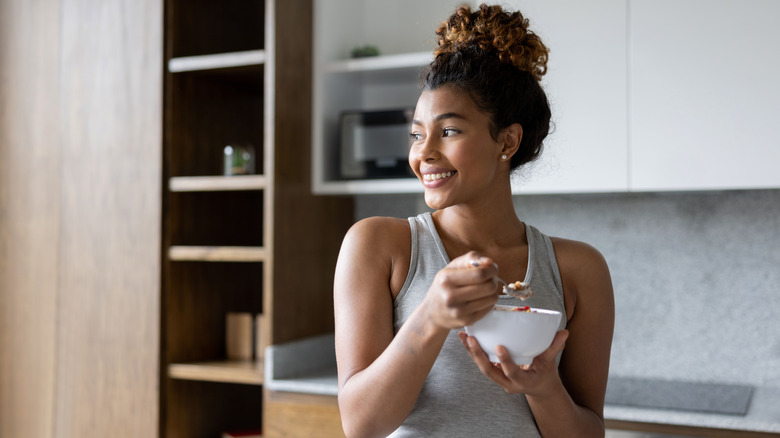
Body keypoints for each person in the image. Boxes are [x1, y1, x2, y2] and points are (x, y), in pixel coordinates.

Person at [333, 4, 614, 437]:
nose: (423, 152)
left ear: (507, 141)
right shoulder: (378, 245)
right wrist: (430, 315)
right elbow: (361, 425)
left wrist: (544, 390)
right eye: (416, 133)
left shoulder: (579, 270)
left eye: (448, 132)